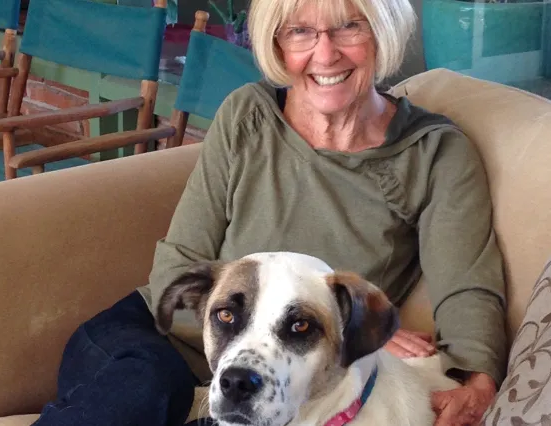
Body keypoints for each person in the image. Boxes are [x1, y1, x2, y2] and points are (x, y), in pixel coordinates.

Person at [32, 0, 507, 425]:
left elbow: (468, 289)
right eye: (300, 31)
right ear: (277, 45)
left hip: (281, 373)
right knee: (151, 388)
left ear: (382, 34)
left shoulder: (434, 153)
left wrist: (475, 381)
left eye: (348, 28)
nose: (325, 55)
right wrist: (230, 345)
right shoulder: (247, 115)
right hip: (149, 342)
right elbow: (178, 264)